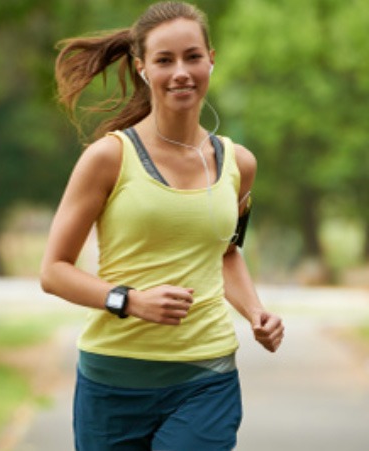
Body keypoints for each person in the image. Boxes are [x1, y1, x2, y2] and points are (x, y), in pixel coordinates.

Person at [39, 2, 285, 450]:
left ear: (211, 59)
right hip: (113, 380)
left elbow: (227, 251)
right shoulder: (108, 158)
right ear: (142, 68)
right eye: (165, 60)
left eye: (192, 57)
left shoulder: (238, 164)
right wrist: (130, 300)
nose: (181, 73)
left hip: (206, 375)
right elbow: (53, 271)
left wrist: (255, 313)